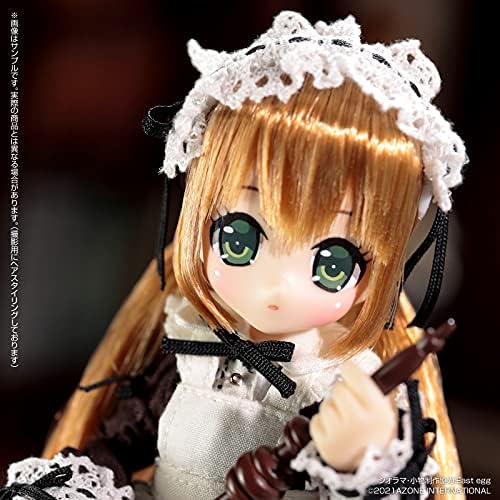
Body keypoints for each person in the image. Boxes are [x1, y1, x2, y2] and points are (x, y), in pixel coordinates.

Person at [3, 11, 467, 500]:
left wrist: (363, 461)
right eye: (239, 239)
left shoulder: (334, 384)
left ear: (376, 273)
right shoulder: (192, 348)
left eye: (331, 264)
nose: (277, 285)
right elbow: (120, 441)